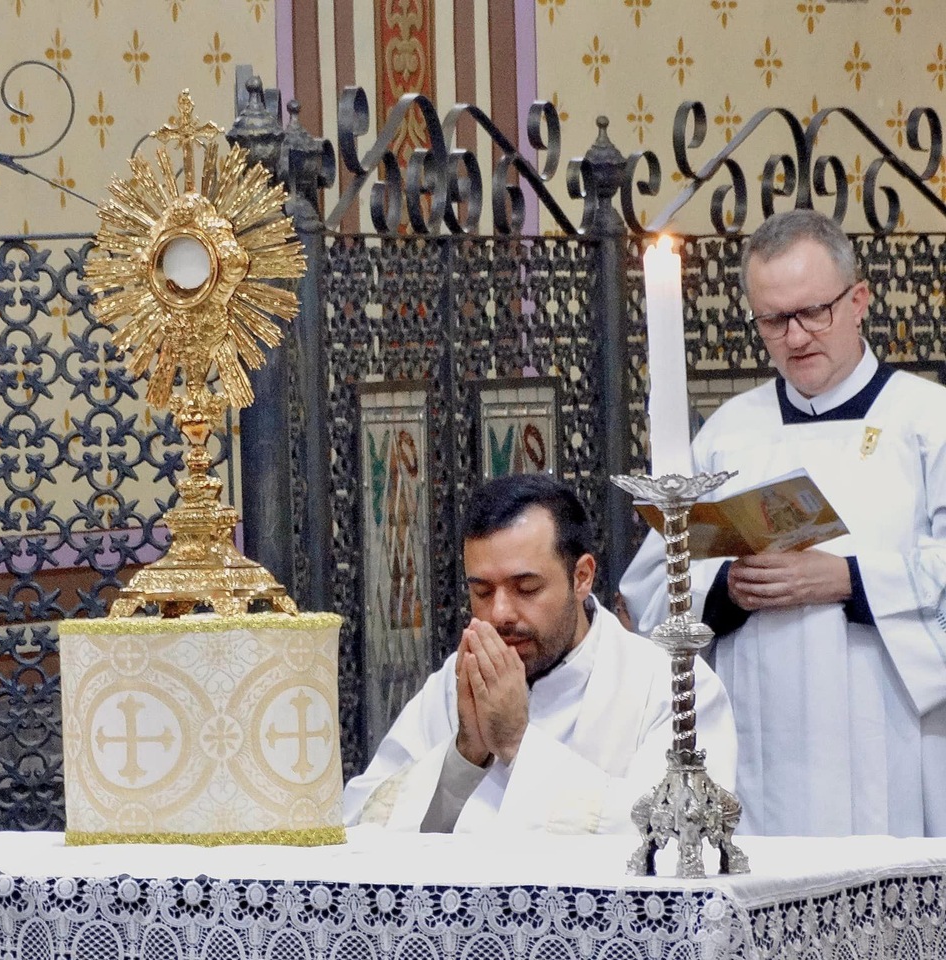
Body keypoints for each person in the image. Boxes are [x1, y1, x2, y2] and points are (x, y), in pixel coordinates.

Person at [620, 208, 946, 837]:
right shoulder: (727, 435)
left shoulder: (928, 422)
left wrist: (849, 581)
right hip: (756, 746)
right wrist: (724, 592)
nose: (795, 338)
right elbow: (652, 590)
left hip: (894, 745)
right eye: (773, 320)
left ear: (858, 300)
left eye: (812, 313)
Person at [343, 473, 736, 834]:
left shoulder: (671, 685)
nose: (499, 613)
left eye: (526, 588)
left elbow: (681, 838)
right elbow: (364, 822)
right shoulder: (458, 680)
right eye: (481, 592)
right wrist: (464, 755)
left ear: (581, 577)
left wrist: (516, 742)